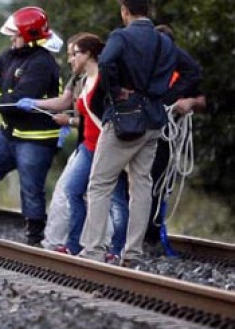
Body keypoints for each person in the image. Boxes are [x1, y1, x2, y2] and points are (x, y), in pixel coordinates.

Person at [78, 0, 198, 265]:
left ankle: (94, 251)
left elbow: (107, 62)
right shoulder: (164, 42)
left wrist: (116, 92)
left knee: (99, 184)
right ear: (148, 10)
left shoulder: (120, 36)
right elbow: (192, 71)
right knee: (142, 185)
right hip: (154, 120)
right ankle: (133, 253)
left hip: (124, 120)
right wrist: (165, 98)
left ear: (125, 10)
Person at [18, 34, 130, 256]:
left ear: (88, 54)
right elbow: (67, 102)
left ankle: (117, 248)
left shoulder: (104, 80)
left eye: (74, 54)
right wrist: (35, 104)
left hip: (107, 148)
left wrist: (69, 121)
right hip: (88, 146)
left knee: (116, 198)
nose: (70, 60)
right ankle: (73, 244)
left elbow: (109, 117)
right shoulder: (83, 78)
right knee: (72, 191)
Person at [0, 6, 62, 246]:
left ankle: (34, 240)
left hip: (36, 139)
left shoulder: (42, 64)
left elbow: (18, 101)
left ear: (30, 36)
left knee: (31, 190)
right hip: (7, 134)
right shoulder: (10, 55)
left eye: (16, 35)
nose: (12, 39)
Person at [143, 24, 205, 256]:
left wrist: (188, 103)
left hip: (168, 135)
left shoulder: (183, 72)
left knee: (159, 184)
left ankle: (153, 235)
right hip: (144, 130)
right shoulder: (144, 67)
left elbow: (202, 100)